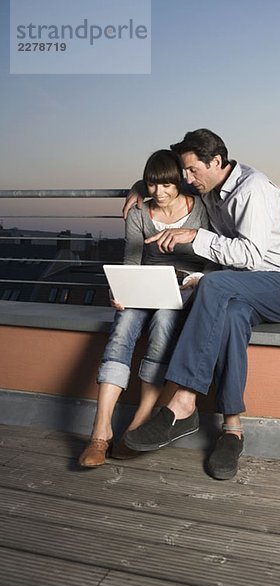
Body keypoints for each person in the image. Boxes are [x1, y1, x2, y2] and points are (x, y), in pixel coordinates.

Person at [122, 129, 280, 480]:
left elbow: (250, 256)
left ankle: (182, 402)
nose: (187, 180)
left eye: (192, 171)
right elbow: (166, 183)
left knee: (215, 282)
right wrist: (138, 186)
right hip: (242, 294)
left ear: (217, 162)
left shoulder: (253, 190)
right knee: (232, 316)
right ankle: (232, 430)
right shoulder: (208, 185)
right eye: (184, 172)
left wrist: (195, 235)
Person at [79, 149, 210, 467]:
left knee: (165, 324)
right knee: (122, 326)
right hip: (144, 285)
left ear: (180, 181)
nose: (159, 193)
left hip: (184, 288)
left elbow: (209, 259)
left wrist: (193, 281)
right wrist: (119, 290)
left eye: (166, 185)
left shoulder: (200, 207)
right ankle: (101, 431)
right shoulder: (140, 210)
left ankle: (139, 422)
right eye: (152, 185)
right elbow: (131, 260)